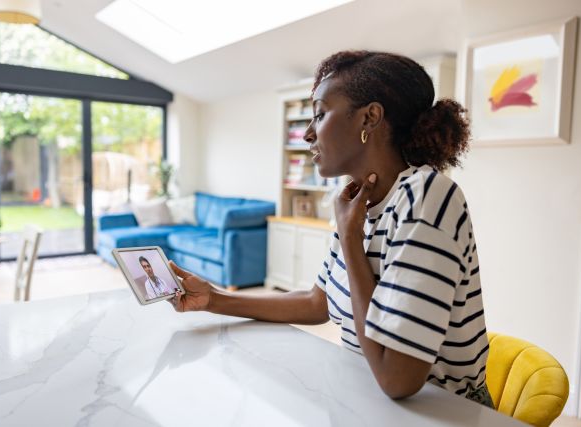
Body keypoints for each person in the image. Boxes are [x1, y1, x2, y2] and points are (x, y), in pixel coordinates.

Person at [168, 50, 492, 407]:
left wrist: (351, 238)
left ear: (370, 118)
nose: (308, 134)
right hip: (366, 399)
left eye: (320, 115)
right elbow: (318, 302)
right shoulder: (357, 205)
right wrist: (214, 299)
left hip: (442, 413)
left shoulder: (427, 198)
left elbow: (398, 378)